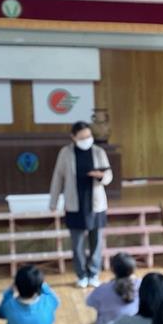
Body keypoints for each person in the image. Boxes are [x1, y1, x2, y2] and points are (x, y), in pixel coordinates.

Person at [49, 121, 113, 289]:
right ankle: (81, 275)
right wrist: (53, 201)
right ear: (73, 137)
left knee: (96, 242)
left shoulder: (98, 151)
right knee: (77, 244)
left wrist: (101, 176)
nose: (87, 139)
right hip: (74, 203)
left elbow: (108, 175)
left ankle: (94, 273)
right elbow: (58, 177)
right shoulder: (65, 153)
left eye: (89, 136)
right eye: (82, 137)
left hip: (96, 203)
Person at [85, 252, 140, 324]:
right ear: (133, 269)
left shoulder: (102, 289)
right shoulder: (141, 284)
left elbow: (89, 302)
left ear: (112, 269)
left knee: (101, 311)